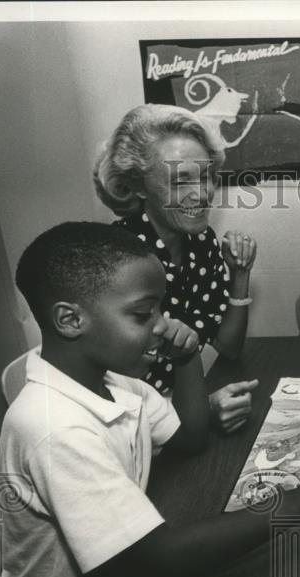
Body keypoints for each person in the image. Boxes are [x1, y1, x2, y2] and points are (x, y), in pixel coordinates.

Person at [0, 222, 300, 577]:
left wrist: (185, 359)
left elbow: (190, 438)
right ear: (70, 320)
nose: (162, 326)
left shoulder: (115, 382)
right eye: (143, 315)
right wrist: (296, 504)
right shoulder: (55, 427)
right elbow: (164, 563)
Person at [94, 103, 258, 432]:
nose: (202, 194)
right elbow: (112, 403)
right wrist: (201, 408)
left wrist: (240, 274)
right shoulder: (114, 260)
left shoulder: (201, 242)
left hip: (178, 411)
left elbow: (228, 347)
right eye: (181, 181)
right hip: (136, 432)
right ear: (137, 186)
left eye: (207, 176)